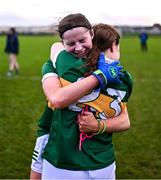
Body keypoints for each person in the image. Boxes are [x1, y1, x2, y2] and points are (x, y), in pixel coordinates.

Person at [30, 14, 132, 180]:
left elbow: (125, 120)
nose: (78, 48)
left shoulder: (61, 64)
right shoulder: (124, 79)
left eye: (81, 41)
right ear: (113, 46)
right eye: (71, 43)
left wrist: (97, 125)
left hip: (62, 160)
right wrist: (99, 77)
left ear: (92, 35)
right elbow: (124, 120)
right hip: (102, 161)